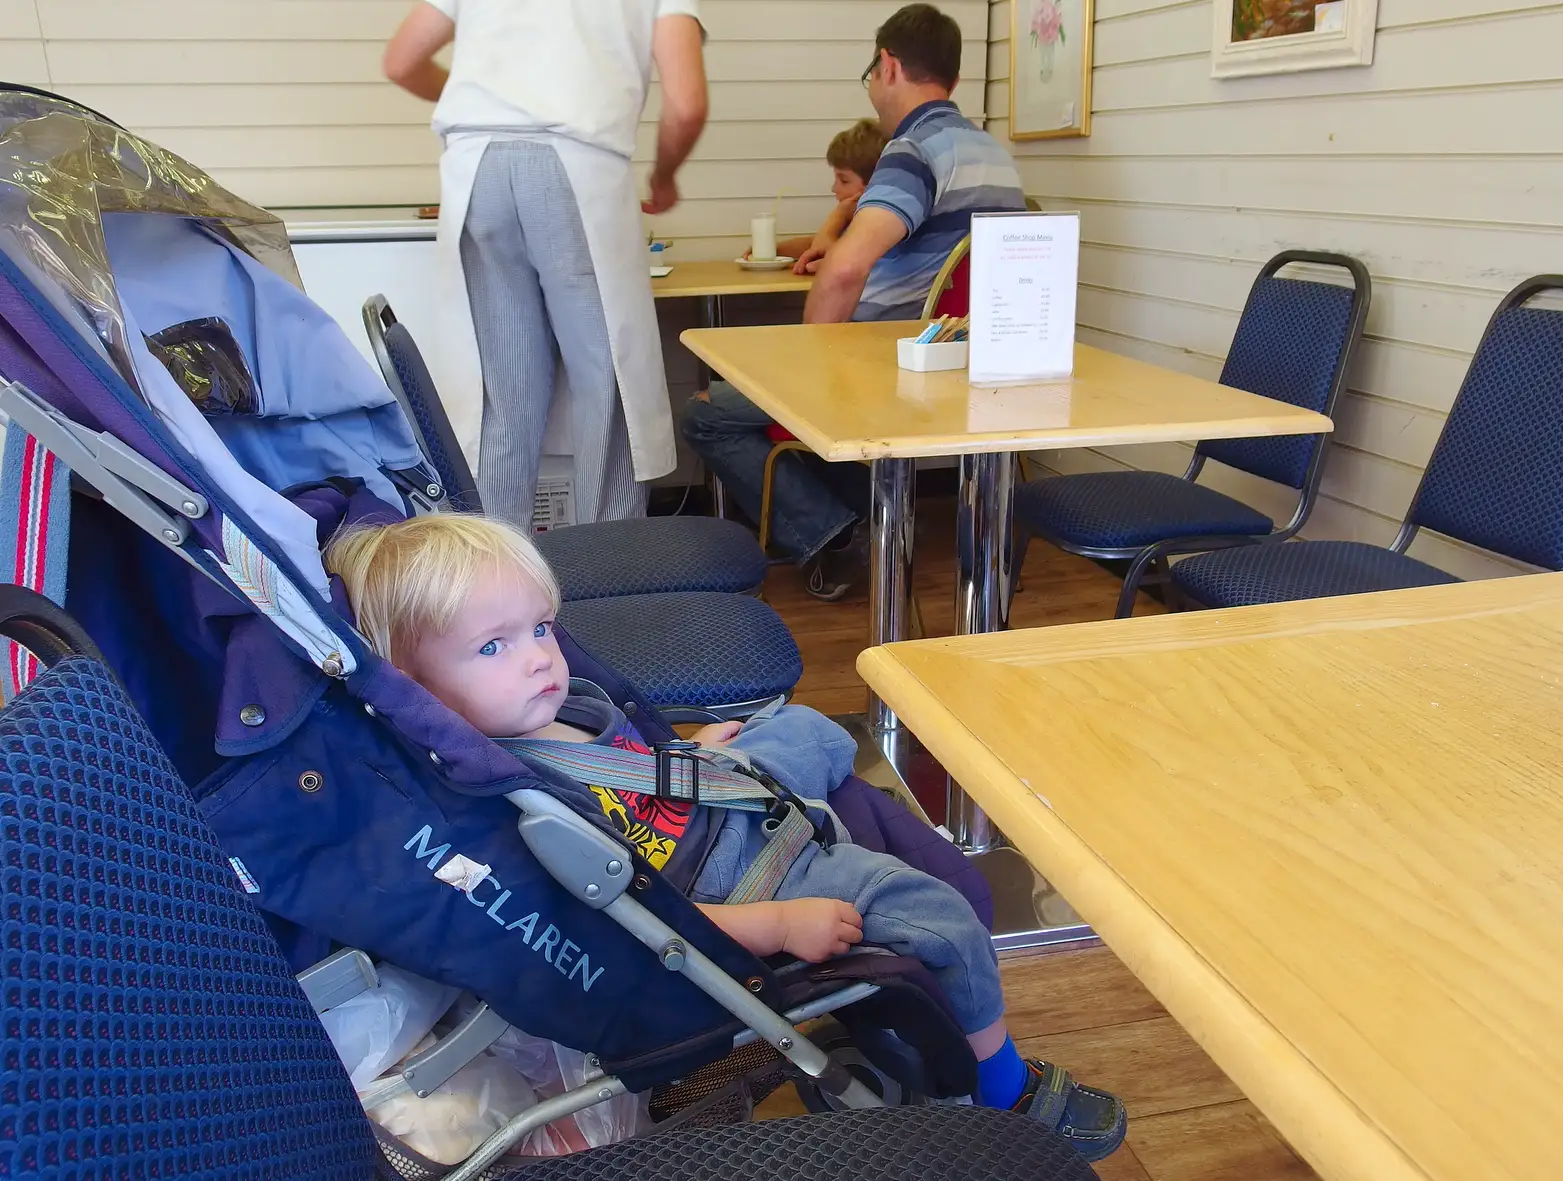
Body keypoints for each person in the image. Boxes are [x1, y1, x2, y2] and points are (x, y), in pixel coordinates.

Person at [324, 512, 1129, 1162]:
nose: (539, 659)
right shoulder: (513, 803)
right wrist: (780, 924)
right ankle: (1000, 1085)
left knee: (808, 725)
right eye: (493, 646)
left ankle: (820, 793)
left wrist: (685, 760)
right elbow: (630, 925)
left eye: (540, 628)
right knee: (940, 916)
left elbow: (625, 763)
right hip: (732, 881)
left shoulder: (550, 711)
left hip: (697, 801)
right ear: (412, 684)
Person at [682, 3, 1025, 600]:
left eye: (871, 71)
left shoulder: (913, 150)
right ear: (955, 78)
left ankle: (835, 533)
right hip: (964, 362)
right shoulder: (993, 156)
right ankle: (859, 516)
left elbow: (844, 271)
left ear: (887, 66)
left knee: (707, 412)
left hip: (883, 366)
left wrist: (806, 363)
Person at [382, 0, 709, 528]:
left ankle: (498, 578)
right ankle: (611, 572)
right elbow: (687, 104)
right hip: (577, 170)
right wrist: (665, 174)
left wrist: (496, 103)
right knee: (608, 385)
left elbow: (400, 61)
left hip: (476, 170)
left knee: (503, 392)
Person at [744, 119, 888, 274]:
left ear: (873, 186)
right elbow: (813, 243)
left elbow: (820, 251)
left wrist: (838, 215)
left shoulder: (879, 228)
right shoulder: (854, 222)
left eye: (844, 180)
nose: (834, 188)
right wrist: (771, 251)